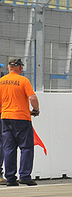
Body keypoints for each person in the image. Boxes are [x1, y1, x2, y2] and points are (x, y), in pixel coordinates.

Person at [0, 58, 40, 187]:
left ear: (8, 67)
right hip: (22, 118)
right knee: (26, 147)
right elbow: (32, 97)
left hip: (5, 118)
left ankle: (10, 178)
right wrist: (36, 109)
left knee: (9, 148)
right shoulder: (23, 80)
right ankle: (24, 176)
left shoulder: (1, 81)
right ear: (20, 68)